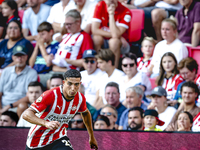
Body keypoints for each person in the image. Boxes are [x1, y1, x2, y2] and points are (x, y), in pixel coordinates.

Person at [22, 69, 98, 150]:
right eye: (70, 84)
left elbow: (85, 113)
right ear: (64, 82)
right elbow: (26, 114)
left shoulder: (80, 98)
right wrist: (46, 123)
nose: (73, 88)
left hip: (58, 138)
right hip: (37, 141)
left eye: (76, 84)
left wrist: (91, 137)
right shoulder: (50, 95)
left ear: (80, 84)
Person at [92, 0, 132, 67]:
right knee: (96, 38)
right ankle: (98, 66)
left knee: (114, 42)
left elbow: (115, 36)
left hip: (122, 44)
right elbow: (94, 30)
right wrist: (118, 35)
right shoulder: (99, 6)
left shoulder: (126, 11)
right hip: (106, 39)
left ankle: (113, 69)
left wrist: (111, 14)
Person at [0, 45, 38, 113]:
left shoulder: (32, 73)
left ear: (26, 57)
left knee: (22, 106)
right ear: (13, 57)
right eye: (17, 56)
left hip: (18, 106)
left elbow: (29, 96)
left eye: (22, 56)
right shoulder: (6, 71)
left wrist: (10, 106)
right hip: (3, 105)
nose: (19, 58)